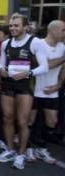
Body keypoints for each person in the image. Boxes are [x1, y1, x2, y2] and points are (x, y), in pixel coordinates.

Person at [0, 14, 48, 170]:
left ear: (26, 27)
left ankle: (21, 154)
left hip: (25, 86)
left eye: (16, 25)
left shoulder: (35, 42)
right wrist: (2, 70)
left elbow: (44, 67)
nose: (12, 28)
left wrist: (28, 73)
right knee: (7, 118)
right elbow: (0, 64)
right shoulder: (6, 44)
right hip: (8, 85)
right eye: (11, 25)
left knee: (23, 122)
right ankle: (11, 150)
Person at [27, 20, 65, 164]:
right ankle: (28, 148)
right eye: (63, 30)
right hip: (34, 90)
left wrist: (59, 85)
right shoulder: (38, 44)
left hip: (52, 91)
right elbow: (45, 66)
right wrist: (63, 58)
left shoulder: (62, 47)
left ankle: (41, 148)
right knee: (30, 120)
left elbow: (63, 69)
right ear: (53, 30)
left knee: (52, 121)